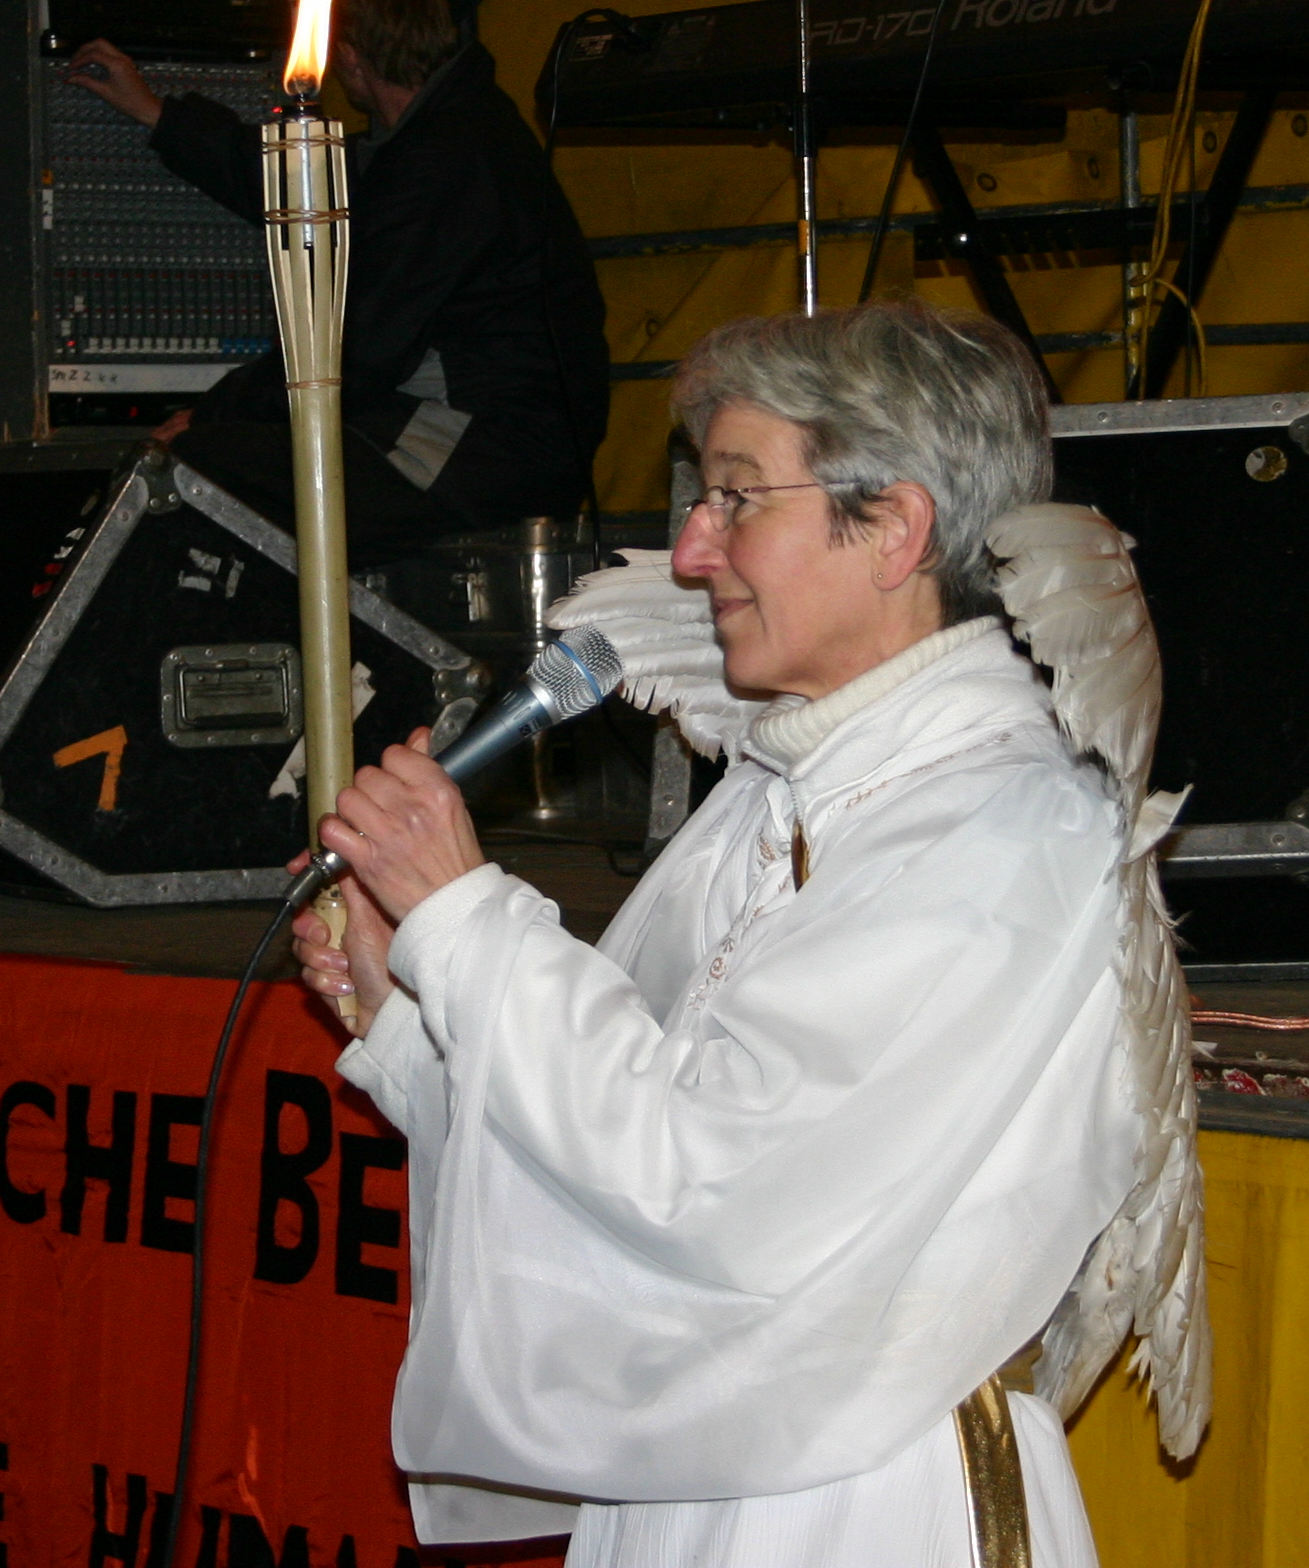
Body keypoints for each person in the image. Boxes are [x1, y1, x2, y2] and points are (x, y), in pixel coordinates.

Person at [290, 301, 1208, 1567]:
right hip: (712, 1471)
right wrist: (412, 1008)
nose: (689, 551)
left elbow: (712, 1184)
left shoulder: (1006, 832)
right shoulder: (778, 795)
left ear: (894, 527)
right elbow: (609, 1157)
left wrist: (468, 917)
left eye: (735, 496)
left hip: (868, 1502)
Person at [66, 0, 608, 563]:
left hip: (486, 448)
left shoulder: (446, 160)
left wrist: (210, 416)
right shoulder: (450, 132)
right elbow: (304, 186)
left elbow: (355, 352)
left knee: (192, 471)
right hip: (487, 439)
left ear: (347, 55)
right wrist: (157, 114)